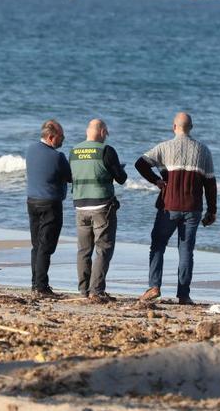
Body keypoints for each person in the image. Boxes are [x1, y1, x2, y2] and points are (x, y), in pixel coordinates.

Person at [135, 112, 217, 305]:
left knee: (157, 246)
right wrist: (212, 210)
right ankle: (183, 295)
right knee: (186, 251)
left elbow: (140, 163)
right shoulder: (203, 150)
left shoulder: (164, 147)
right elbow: (210, 183)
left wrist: (156, 180)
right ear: (191, 128)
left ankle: (154, 287)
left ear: (174, 127)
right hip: (193, 208)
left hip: (168, 207)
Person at [69, 119, 128, 303]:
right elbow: (121, 178)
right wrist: (118, 170)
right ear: (102, 132)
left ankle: (83, 290)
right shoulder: (106, 151)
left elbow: (72, 176)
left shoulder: (74, 151)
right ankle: (97, 290)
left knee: (83, 250)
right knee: (103, 248)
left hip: (80, 205)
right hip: (102, 206)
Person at [25, 119, 72, 298]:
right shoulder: (57, 157)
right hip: (50, 203)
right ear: (51, 137)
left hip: (32, 201)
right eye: (61, 137)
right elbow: (70, 177)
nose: (63, 140)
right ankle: (41, 287)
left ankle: (35, 284)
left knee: (36, 245)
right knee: (46, 246)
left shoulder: (31, 150)